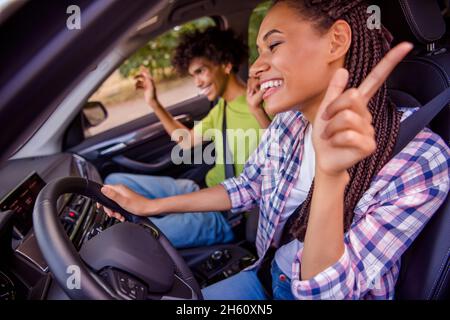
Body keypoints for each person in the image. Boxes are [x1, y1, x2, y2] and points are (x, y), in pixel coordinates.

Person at [100, 0, 450, 300]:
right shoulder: (289, 123)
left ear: (337, 40)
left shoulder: (420, 159)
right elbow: (247, 185)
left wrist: (329, 177)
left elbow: (328, 294)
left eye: (274, 45)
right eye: (258, 51)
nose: (255, 66)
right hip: (265, 272)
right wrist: (150, 206)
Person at [104, 27, 271, 249]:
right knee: (114, 183)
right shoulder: (223, 105)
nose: (198, 82)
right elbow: (184, 140)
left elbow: (284, 153)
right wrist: (153, 102)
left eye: (201, 71)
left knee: (133, 236)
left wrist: (259, 113)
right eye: (193, 76)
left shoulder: (261, 106)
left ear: (226, 64)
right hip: (201, 190)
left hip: (227, 213)